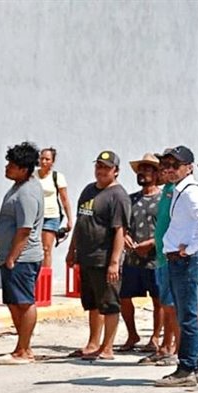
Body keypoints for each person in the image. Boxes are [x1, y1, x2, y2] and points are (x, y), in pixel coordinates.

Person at [156, 145, 198, 387]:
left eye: (174, 165)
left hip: (187, 261)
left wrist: (188, 249)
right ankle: (191, 367)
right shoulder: (178, 190)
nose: (169, 169)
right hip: (180, 260)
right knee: (184, 315)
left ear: (188, 167)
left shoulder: (190, 192)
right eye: (165, 165)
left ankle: (187, 368)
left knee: (187, 317)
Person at [66, 150, 129, 361]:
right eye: (98, 166)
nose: (101, 171)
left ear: (116, 171)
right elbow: (80, 222)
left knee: (109, 304)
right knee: (92, 303)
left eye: (106, 167)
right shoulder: (88, 191)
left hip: (105, 258)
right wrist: (72, 249)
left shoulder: (118, 196)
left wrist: (114, 262)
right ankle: (93, 344)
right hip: (87, 257)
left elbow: (120, 230)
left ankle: (107, 347)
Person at [0, 142, 44, 365]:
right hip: (11, 257)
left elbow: (25, 229)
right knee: (14, 302)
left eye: (12, 165)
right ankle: (22, 346)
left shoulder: (27, 193)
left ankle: (24, 350)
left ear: (23, 169)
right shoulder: (18, 186)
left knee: (24, 302)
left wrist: (12, 257)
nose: (7, 167)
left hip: (22, 258)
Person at [139, 152, 181, 367]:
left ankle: (176, 349)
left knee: (174, 305)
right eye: (162, 166)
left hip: (173, 256)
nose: (165, 170)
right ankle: (166, 346)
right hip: (162, 257)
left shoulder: (179, 191)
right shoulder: (166, 190)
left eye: (168, 166)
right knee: (167, 304)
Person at [119, 153, 163, 353]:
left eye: (147, 169)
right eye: (141, 169)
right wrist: (125, 237)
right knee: (124, 296)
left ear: (156, 174)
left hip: (156, 259)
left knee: (158, 299)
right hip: (132, 258)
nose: (142, 173)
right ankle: (132, 334)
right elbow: (122, 225)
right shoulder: (131, 199)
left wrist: (152, 243)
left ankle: (155, 337)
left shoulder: (164, 199)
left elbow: (168, 228)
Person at [36, 147, 73, 268]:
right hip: (35, 217)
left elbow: (64, 199)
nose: (44, 162)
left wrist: (69, 219)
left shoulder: (57, 177)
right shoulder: (32, 175)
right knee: (34, 249)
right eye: (42, 158)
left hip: (51, 216)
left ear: (52, 161)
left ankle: (45, 278)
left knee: (46, 248)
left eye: (47, 159)